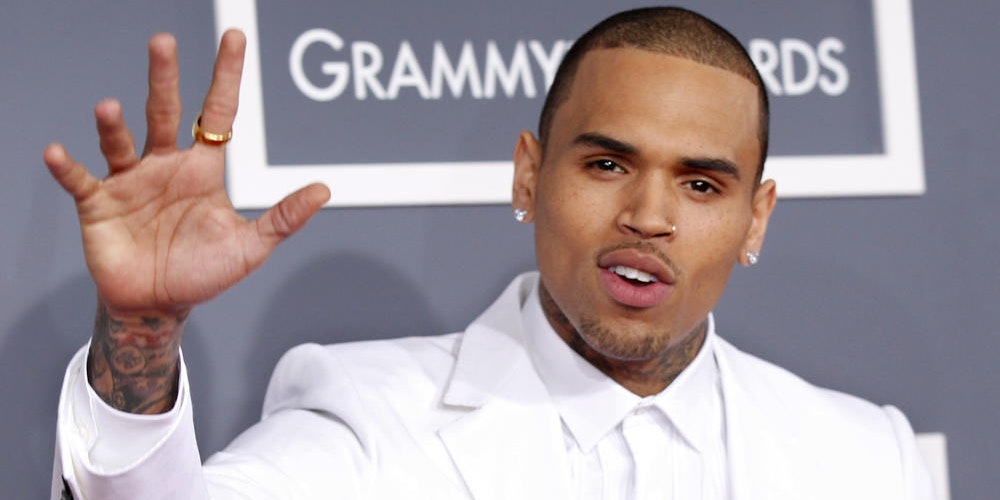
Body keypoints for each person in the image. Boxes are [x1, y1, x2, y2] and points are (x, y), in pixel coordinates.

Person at [47, 7, 934, 499]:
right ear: (529, 175)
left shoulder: (867, 460)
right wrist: (142, 332)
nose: (649, 216)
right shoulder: (367, 416)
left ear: (755, 220)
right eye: (607, 165)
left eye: (702, 185)